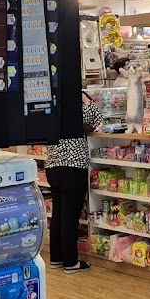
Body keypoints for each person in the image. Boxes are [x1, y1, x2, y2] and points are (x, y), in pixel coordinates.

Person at [45, 92, 104, 272]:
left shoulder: (52, 107)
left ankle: (56, 258)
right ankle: (71, 262)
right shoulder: (75, 110)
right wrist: (87, 100)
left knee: (58, 215)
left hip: (53, 166)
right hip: (73, 167)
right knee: (70, 217)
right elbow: (96, 119)